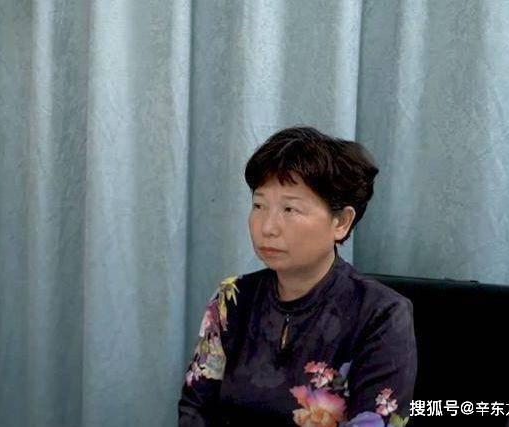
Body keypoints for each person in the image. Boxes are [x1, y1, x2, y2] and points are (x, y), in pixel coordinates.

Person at [178, 126, 417, 426]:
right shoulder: (233, 298)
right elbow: (195, 408)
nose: (268, 227)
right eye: (259, 205)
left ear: (341, 222)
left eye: (290, 209)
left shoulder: (381, 314)